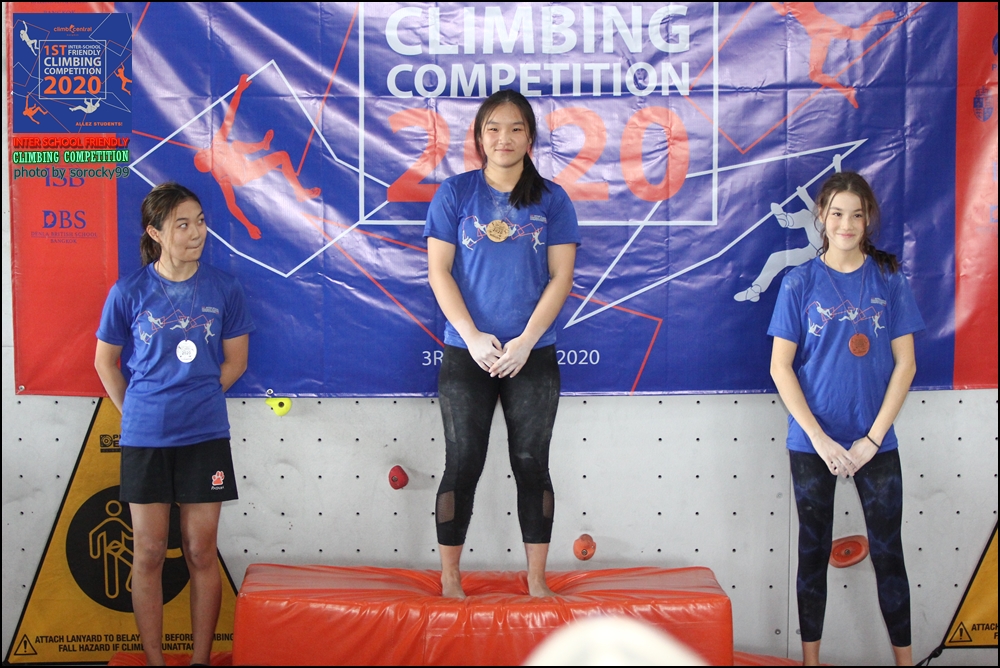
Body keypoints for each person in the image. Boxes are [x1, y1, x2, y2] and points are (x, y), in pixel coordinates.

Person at [424, 90, 580, 599]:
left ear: (530, 137)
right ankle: (450, 575)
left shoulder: (553, 200)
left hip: (530, 354)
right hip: (466, 352)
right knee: (462, 461)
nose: (504, 138)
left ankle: (536, 579)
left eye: (515, 129)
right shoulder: (454, 193)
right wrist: (471, 337)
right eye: (493, 128)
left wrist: (526, 340)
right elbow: (439, 271)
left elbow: (561, 278)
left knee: (532, 462)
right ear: (479, 136)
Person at [95, 182, 254, 666]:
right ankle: (156, 660)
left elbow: (237, 362)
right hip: (145, 438)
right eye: (182, 224)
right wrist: (140, 411)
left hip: (205, 435)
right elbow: (106, 363)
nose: (196, 232)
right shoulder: (130, 290)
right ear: (156, 233)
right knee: (146, 553)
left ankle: (200, 661)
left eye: (201, 221)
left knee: (200, 551)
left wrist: (198, 396)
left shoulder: (225, 287)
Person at [768, 171, 923, 666]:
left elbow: (907, 364)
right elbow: (780, 366)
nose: (847, 223)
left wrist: (872, 439)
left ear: (868, 218)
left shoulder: (888, 278)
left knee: (889, 555)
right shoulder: (799, 281)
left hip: (875, 444)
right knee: (812, 555)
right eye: (837, 213)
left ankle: (904, 661)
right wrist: (818, 438)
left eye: (857, 214)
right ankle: (811, 661)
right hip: (812, 446)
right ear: (821, 217)